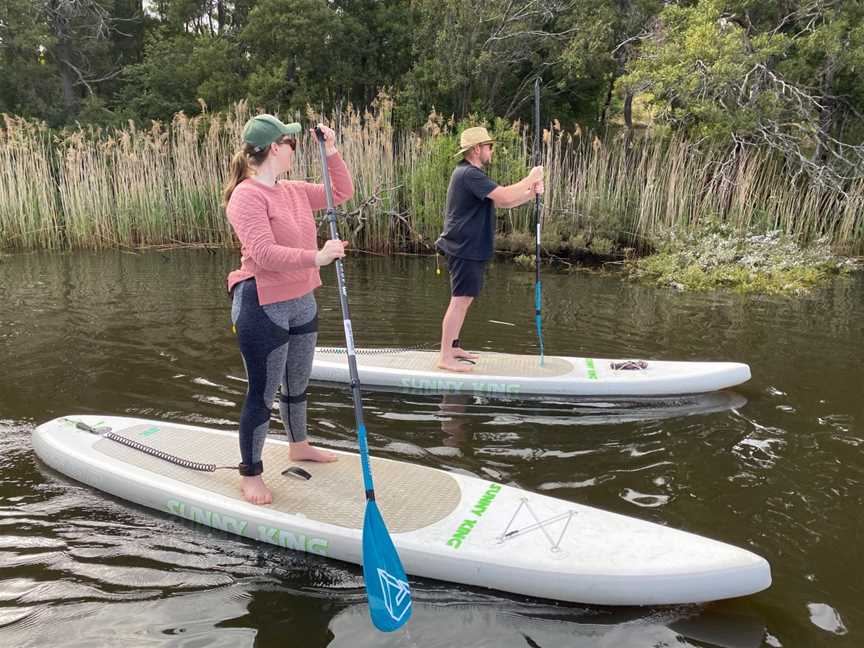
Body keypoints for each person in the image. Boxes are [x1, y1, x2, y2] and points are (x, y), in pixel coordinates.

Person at [222, 114, 354, 505]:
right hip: (262, 303)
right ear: (274, 148)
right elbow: (263, 253)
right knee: (261, 395)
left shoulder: (293, 190)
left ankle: (299, 444)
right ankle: (251, 474)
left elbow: (340, 192)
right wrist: (317, 256)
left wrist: (331, 151)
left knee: (296, 386)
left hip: (301, 300)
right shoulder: (246, 196)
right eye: (290, 142)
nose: (295, 148)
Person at [435, 126, 544, 372]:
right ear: (477, 149)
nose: (491, 151)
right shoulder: (468, 174)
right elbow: (504, 196)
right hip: (464, 247)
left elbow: (505, 201)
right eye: (488, 146)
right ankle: (445, 357)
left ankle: (452, 347)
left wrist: (530, 193)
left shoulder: (472, 175)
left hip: (469, 247)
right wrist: (530, 178)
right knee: (460, 301)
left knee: (464, 300)